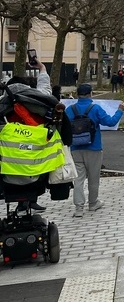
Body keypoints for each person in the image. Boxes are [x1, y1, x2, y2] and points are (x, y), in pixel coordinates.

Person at [5, 58, 54, 213]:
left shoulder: (3, 101)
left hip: (9, 153)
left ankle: (22, 203)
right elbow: (46, 91)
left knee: (14, 174)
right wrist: (42, 69)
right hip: (33, 145)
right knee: (34, 173)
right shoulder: (33, 98)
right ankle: (30, 200)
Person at [68, 83, 124, 217]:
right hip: (94, 147)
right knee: (93, 178)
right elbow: (110, 122)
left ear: (77, 94)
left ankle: (78, 208)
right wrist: (120, 110)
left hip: (75, 148)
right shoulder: (95, 108)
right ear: (90, 94)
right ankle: (93, 203)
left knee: (78, 179)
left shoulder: (70, 109)